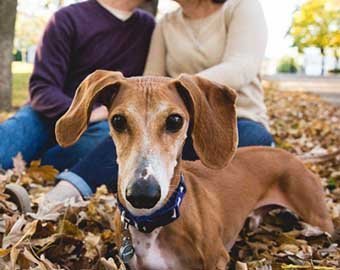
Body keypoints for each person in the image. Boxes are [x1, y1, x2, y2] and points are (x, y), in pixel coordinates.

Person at [42, 0, 274, 205]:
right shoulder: (165, 24)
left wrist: (177, 91)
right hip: (168, 119)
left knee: (254, 139)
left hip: (237, 117)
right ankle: (70, 188)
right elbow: (150, 77)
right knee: (137, 133)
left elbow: (241, 67)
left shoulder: (241, 6)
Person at [0, 0, 155, 171]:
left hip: (102, 126)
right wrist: (84, 114)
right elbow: (42, 88)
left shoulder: (148, 27)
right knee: (8, 143)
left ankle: (40, 166)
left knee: (107, 141)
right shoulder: (67, 19)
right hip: (45, 116)